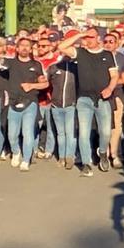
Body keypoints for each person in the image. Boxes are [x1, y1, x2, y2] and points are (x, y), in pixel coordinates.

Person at [57, 28, 120, 177]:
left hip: (102, 99)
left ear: (98, 38)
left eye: (91, 37)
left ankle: (103, 152)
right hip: (84, 99)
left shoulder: (107, 54)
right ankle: (86, 163)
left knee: (105, 132)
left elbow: (114, 76)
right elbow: (61, 47)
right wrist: (79, 35)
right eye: (86, 38)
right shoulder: (81, 53)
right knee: (84, 133)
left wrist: (110, 89)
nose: (88, 40)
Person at [4, 36, 46, 172]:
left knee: (28, 133)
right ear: (17, 48)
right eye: (22, 45)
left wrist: (32, 85)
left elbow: (44, 83)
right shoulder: (10, 63)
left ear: (30, 48)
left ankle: (26, 160)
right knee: (12, 134)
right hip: (13, 102)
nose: (24, 48)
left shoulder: (36, 65)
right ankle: (16, 152)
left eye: (27, 46)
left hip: (30, 102)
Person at [46, 32, 80, 171]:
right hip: (56, 105)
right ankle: (61, 156)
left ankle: (70, 156)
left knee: (70, 132)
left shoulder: (76, 67)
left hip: (71, 104)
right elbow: (46, 83)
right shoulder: (54, 67)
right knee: (60, 133)